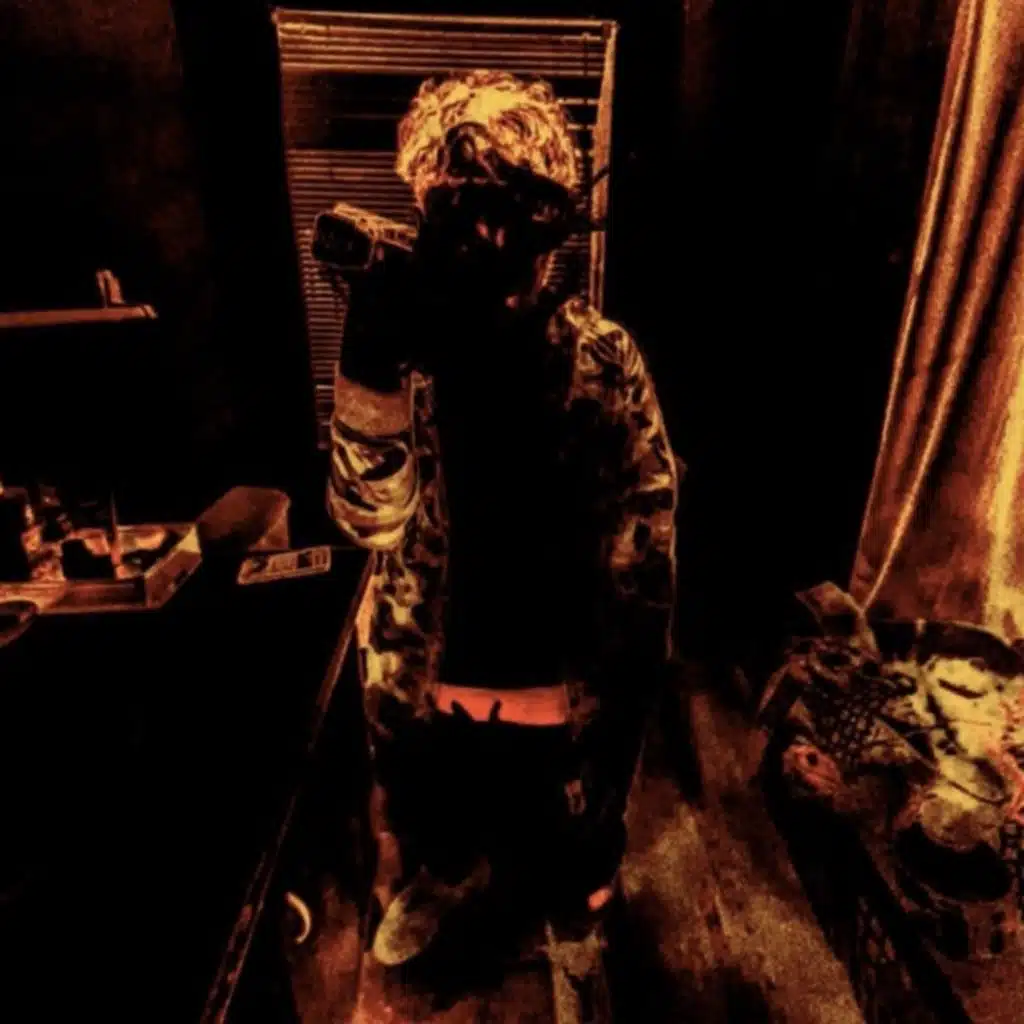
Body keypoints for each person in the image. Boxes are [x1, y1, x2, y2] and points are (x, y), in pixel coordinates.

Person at [326, 69, 680, 972]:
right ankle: (445, 876)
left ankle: (575, 915)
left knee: (571, 847)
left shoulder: (602, 359)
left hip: (559, 685)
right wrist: (368, 369)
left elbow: (645, 558)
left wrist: (620, 715)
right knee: (436, 817)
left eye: (508, 211)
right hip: (426, 674)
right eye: (456, 210)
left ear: (550, 222)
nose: (483, 239)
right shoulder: (411, 346)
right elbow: (369, 521)